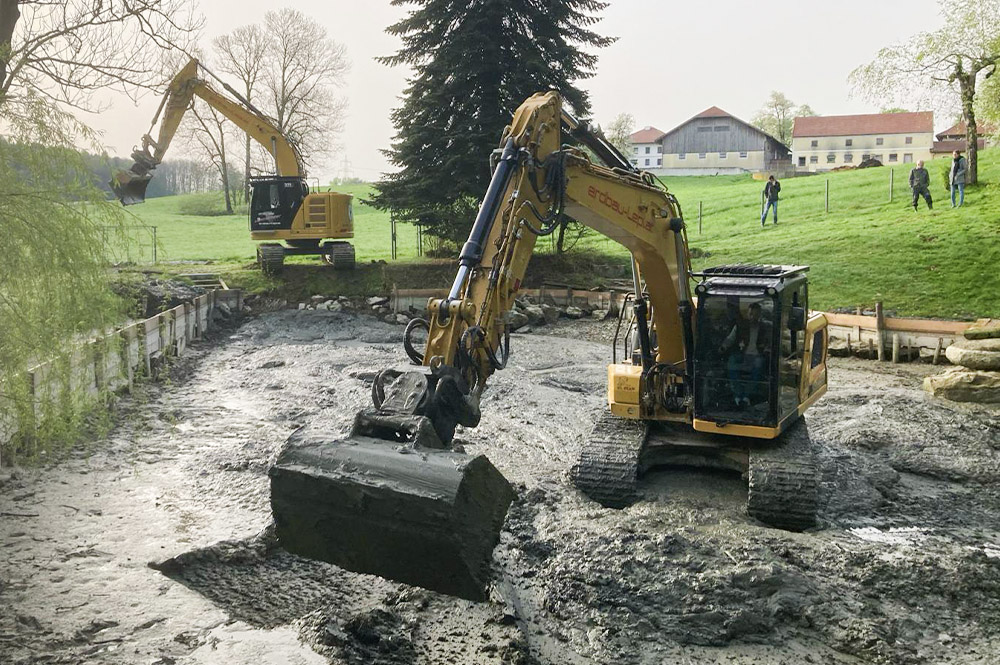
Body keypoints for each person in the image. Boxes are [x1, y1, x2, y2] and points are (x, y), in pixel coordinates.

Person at [720, 302, 768, 407]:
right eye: (751, 314)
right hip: (742, 355)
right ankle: (738, 394)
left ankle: (747, 395)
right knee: (732, 361)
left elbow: (769, 342)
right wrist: (723, 347)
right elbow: (730, 339)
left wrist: (767, 349)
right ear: (747, 313)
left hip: (757, 356)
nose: (752, 317)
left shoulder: (764, 327)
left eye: (755, 314)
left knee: (759, 364)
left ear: (759, 315)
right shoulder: (740, 326)